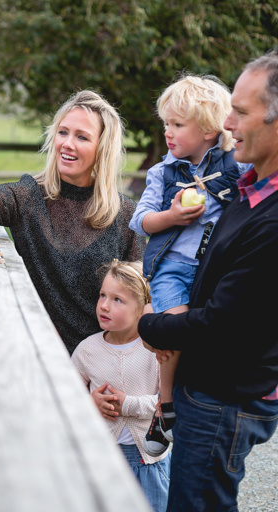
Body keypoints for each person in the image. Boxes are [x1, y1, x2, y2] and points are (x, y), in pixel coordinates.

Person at [138, 51, 278, 512]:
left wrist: (150, 326)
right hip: (210, 386)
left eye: (239, 111)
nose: (229, 124)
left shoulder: (267, 212)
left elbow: (225, 320)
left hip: (224, 394)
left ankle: (164, 409)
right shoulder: (249, 190)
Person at [128, 74, 250, 457]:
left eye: (178, 125)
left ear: (211, 129)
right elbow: (140, 220)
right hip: (173, 268)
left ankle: (200, 404)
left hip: (214, 269)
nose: (167, 132)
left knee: (208, 334)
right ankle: (165, 409)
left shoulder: (235, 168)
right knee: (173, 329)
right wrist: (173, 216)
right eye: (166, 123)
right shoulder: (164, 172)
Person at [0, 90, 145, 355]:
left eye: (81, 137)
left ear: (102, 147)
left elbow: (140, 301)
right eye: (62, 132)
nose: (67, 144)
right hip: (39, 357)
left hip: (103, 366)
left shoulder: (125, 214)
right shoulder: (27, 197)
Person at [71, 260, 170, 512]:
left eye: (117, 300)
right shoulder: (87, 350)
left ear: (141, 308)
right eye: (103, 295)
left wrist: (129, 404)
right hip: (101, 457)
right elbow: (65, 397)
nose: (104, 305)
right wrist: (88, 402)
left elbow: (168, 402)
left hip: (149, 461)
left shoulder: (155, 350)